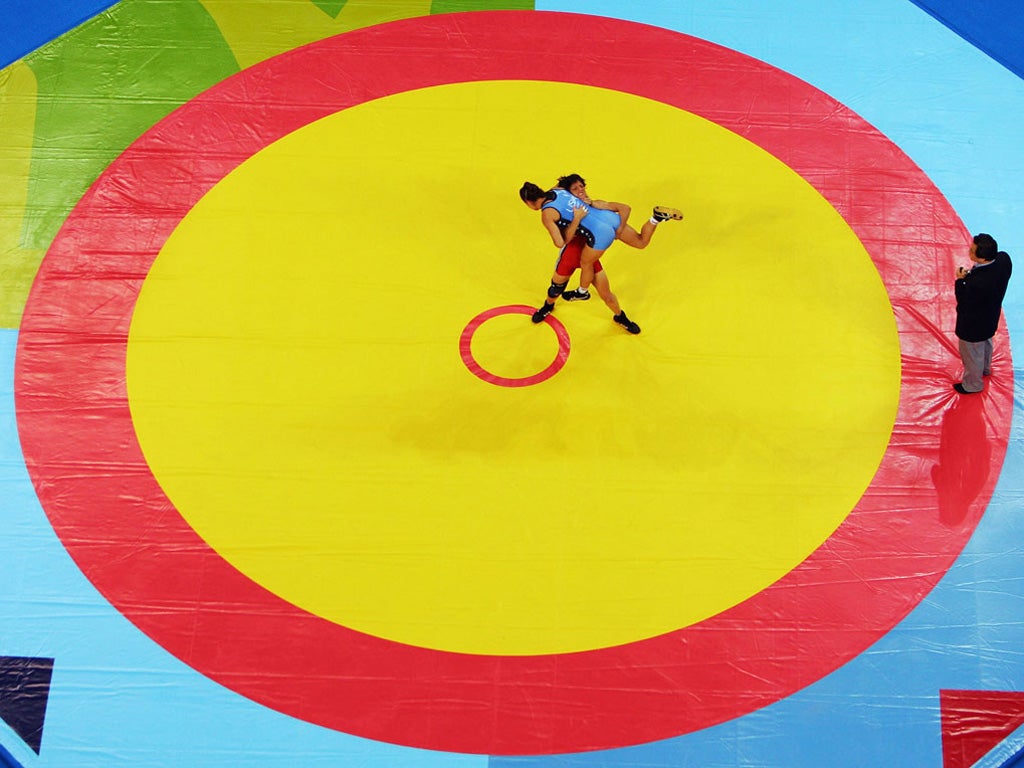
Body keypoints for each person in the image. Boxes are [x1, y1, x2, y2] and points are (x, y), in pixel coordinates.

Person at [518, 178, 681, 334]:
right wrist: (591, 203)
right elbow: (577, 193)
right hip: (580, 248)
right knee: (557, 288)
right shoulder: (558, 190)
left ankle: (619, 316)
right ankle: (548, 306)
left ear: (528, 203)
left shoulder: (547, 214)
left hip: (588, 246)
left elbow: (560, 242)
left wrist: (579, 215)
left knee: (603, 292)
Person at [953, 232, 1012, 394]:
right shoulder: (1003, 260)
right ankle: (985, 368)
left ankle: (972, 385)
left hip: (972, 326)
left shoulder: (975, 284)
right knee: (986, 343)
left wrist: (960, 280)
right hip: (990, 317)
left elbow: (963, 301)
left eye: (972, 251)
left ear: (982, 258)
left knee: (971, 354)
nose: (969, 252)